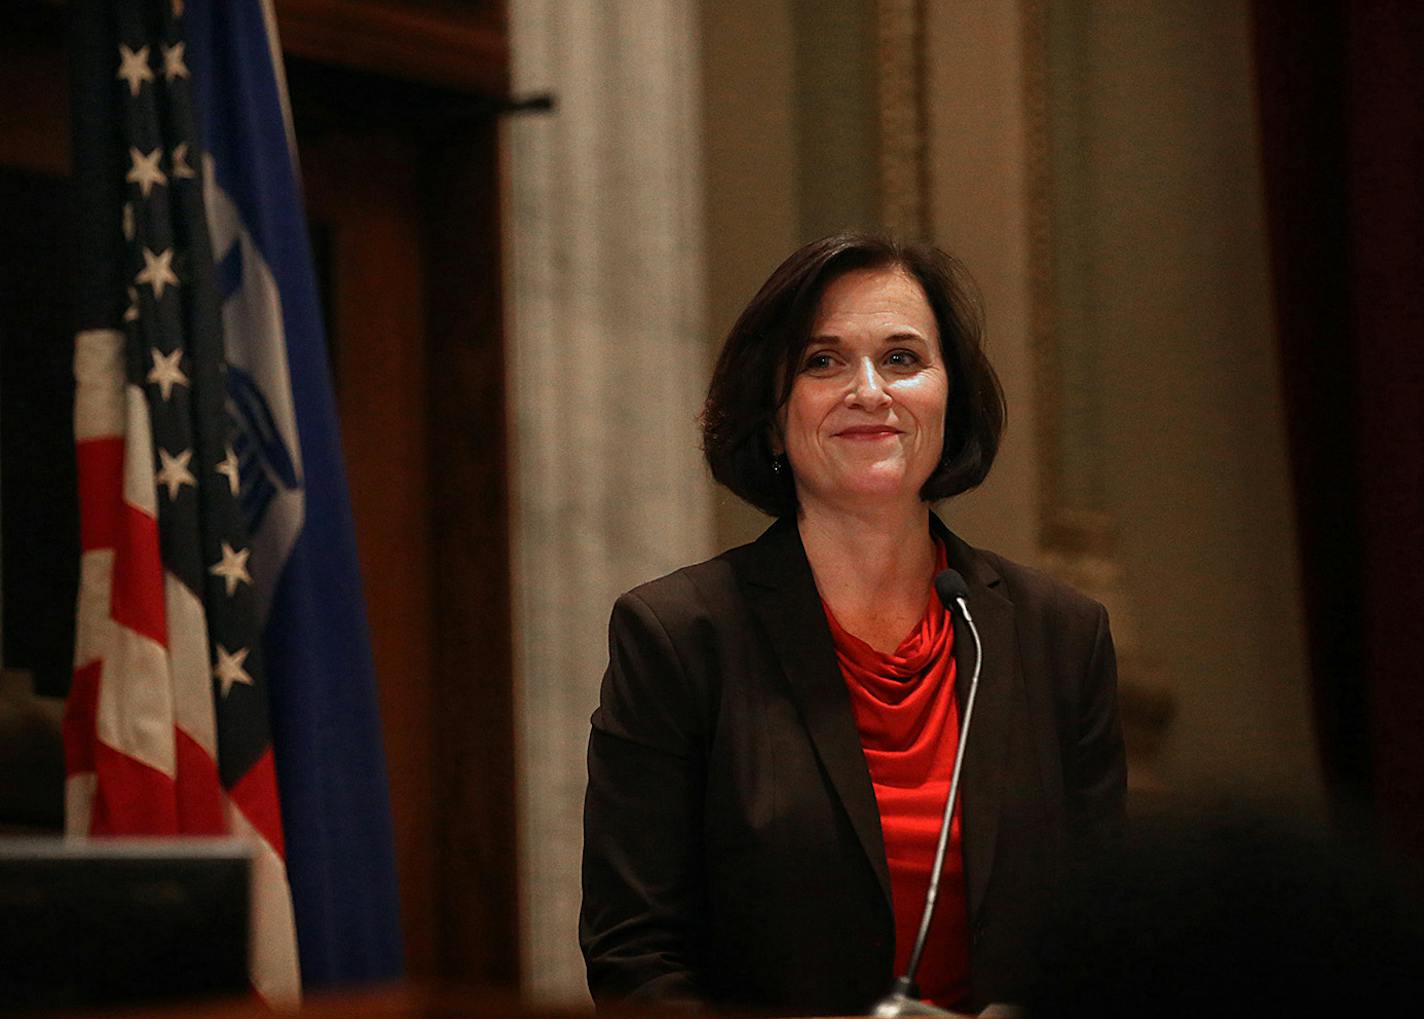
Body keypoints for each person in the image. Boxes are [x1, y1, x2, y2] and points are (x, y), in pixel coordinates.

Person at [580, 233, 1126, 1015]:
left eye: (902, 358)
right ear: (771, 420)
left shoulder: (1060, 637)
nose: (869, 390)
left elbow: (1105, 940)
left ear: (952, 398)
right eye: (822, 362)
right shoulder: (679, 636)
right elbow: (635, 956)